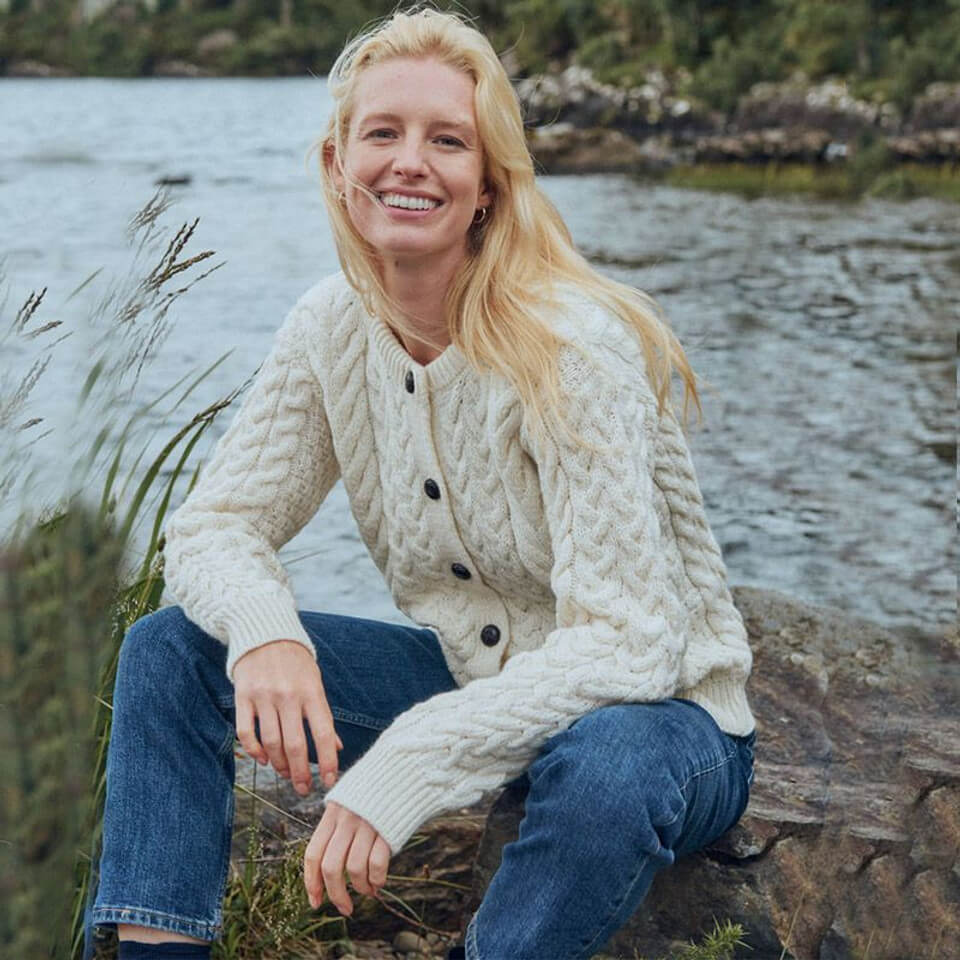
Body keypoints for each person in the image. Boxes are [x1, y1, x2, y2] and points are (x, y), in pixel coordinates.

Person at [84, 6, 757, 960]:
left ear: (486, 185)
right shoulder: (331, 327)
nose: (410, 162)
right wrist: (265, 631)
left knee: (607, 768)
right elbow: (213, 526)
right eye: (383, 134)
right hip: (474, 678)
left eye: (447, 140)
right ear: (337, 165)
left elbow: (631, 643)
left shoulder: (572, 347)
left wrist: (409, 761)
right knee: (171, 648)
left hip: (664, 720)